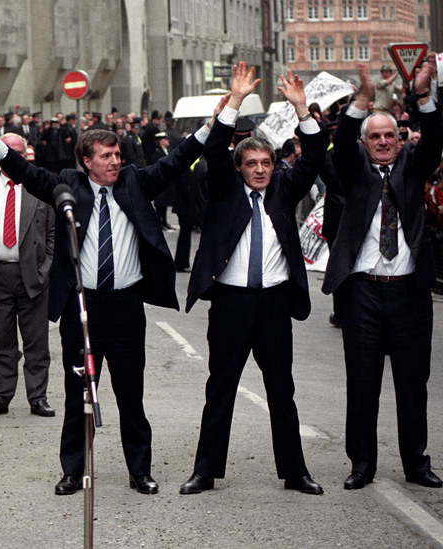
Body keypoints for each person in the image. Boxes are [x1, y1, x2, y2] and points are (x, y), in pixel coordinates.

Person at [0, 97, 213, 497]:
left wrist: (221, 117)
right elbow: (24, 171)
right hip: (83, 307)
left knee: (131, 393)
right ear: (87, 161)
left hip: (126, 305)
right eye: (106, 156)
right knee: (79, 391)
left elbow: (179, 158)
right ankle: (73, 469)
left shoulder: (136, 181)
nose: (115, 161)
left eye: (117, 154)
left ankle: (140, 470)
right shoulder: (67, 185)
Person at [179, 64, 325, 496]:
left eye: (266, 163)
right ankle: (205, 471)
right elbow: (215, 150)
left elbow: (315, 157)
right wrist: (236, 102)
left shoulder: (284, 188)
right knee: (220, 387)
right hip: (232, 303)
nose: (260, 170)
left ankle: (295, 472)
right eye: (252, 164)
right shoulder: (224, 190)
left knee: (281, 390)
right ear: (239, 168)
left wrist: (302, 108)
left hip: (275, 303)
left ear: (274, 166)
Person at [324, 60, 443, 490]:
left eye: (389, 135)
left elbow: (436, 142)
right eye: (374, 136)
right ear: (364, 142)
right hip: (363, 294)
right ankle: (362, 464)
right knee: (363, 382)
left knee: (413, 384)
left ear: (401, 139)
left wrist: (424, 95)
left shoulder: (413, 166)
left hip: (410, 292)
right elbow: (337, 142)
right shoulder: (353, 171)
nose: (383, 142)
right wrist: (361, 102)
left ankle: (417, 463)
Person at [0, 133, 55, 418]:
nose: (12, 157)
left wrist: (45, 269)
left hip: (33, 276)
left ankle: (38, 397)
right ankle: (0, 396)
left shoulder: (42, 187)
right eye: (7, 151)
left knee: (36, 343)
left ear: (26, 154)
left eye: (18, 152)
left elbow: (53, 236)